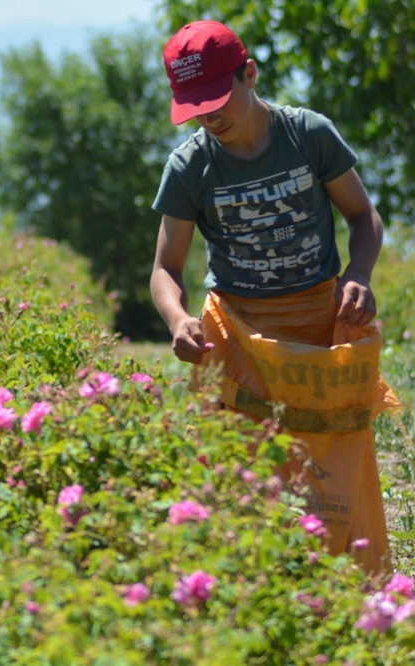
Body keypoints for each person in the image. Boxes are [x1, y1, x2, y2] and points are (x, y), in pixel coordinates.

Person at [150, 21, 398, 574]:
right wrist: (176, 319)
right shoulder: (190, 167)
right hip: (238, 336)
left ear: (250, 74)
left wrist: (359, 273)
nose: (210, 117)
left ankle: (349, 583)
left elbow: (362, 216)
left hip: (319, 323)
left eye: (218, 99)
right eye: (196, 108)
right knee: (243, 472)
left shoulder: (307, 135)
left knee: (331, 462)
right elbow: (166, 268)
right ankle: (254, 588)